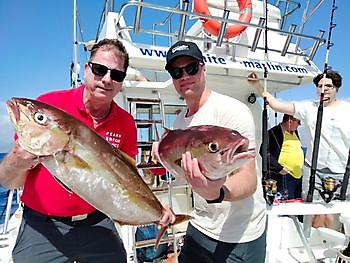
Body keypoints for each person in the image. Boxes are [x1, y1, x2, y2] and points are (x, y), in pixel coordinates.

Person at [0, 38, 175, 263]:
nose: (106, 79)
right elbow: (8, 181)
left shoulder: (126, 122)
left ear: (121, 81)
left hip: (97, 222)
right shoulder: (52, 102)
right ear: (86, 69)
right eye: (99, 69)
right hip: (43, 226)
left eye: (116, 75)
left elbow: (128, 178)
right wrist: (16, 158)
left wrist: (158, 211)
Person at [164, 41, 266, 263]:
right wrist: (163, 158)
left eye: (191, 68)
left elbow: (249, 179)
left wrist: (217, 193)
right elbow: (184, 172)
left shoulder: (233, 111)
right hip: (199, 226)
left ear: (203, 69)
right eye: (176, 71)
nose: (184, 76)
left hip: (240, 236)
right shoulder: (179, 121)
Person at [249, 70, 350, 228]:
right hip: (313, 171)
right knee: (313, 213)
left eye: (329, 86)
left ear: (337, 88)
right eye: (320, 86)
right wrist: (258, 86)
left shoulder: (347, 110)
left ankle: (335, 248)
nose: (324, 90)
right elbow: (275, 105)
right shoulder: (308, 108)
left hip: (341, 171)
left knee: (337, 215)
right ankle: (311, 243)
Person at [262, 114, 304, 200]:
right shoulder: (273, 132)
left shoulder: (295, 132)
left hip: (298, 177)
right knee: (285, 208)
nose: (299, 125)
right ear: (290, 121)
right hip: (283, 176)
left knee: (297, 207)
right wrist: (279, 168)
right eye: (298, 122)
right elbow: (264, 152)